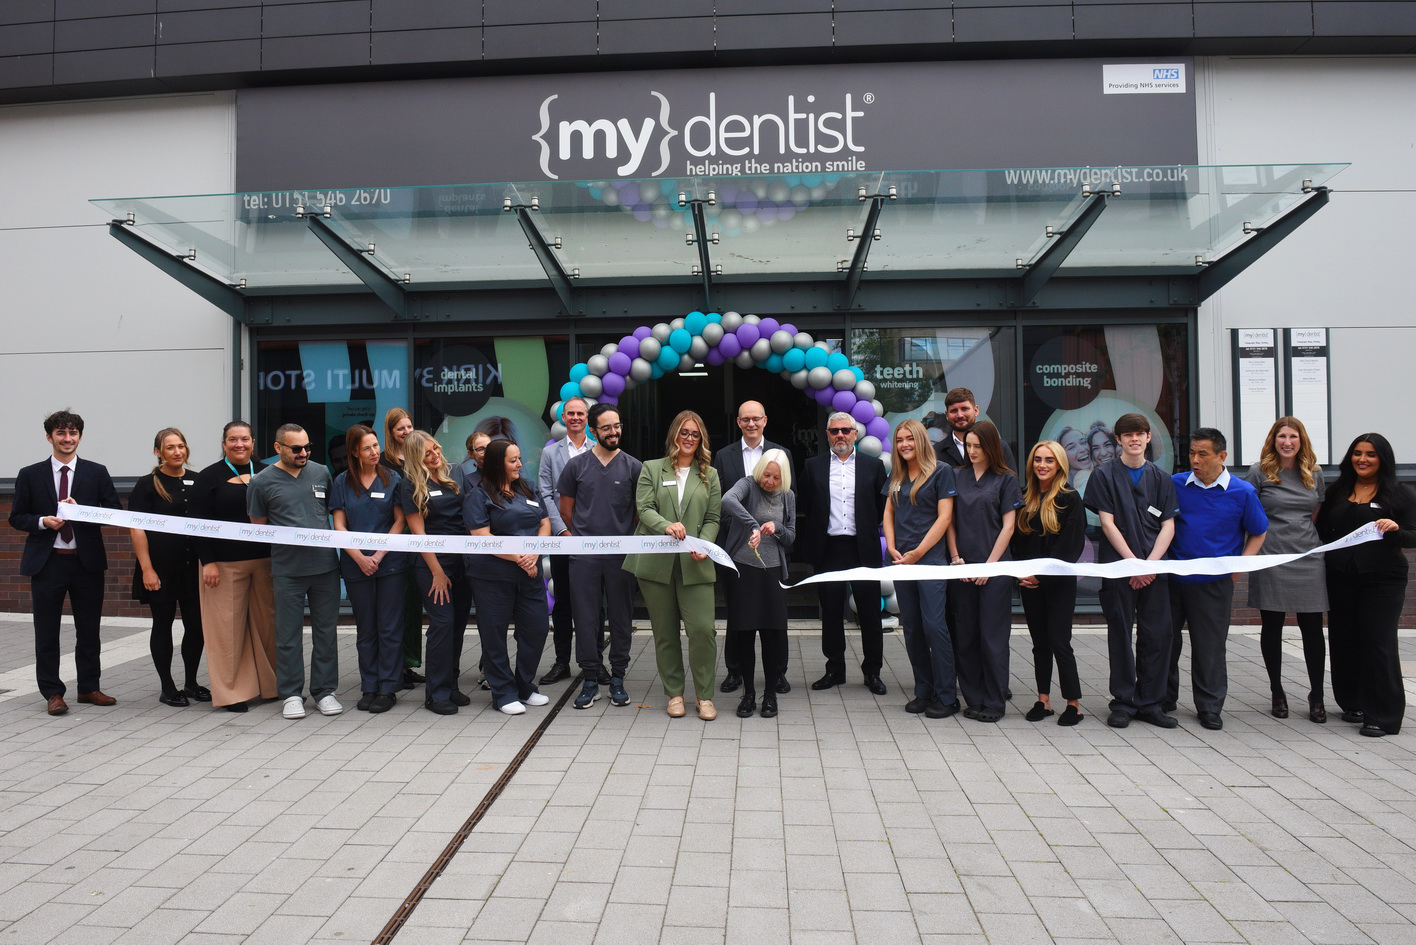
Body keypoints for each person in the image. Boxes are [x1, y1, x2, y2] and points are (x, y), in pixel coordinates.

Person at [9, 409, 123, 716]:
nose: (67, 438)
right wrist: (44, 521)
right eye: (61, 433)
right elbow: (17, 517)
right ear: (50, 437)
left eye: (72, 433)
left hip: (86, 563)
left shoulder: (96, 472)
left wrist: (82, 511)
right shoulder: (30, 474)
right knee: (46, 631)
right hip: (48, 563)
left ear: (80, 437)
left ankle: (88, 687)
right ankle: (52, 692)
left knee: (89, 629)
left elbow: (112, 513)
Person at [1166, 427, 1268, 731]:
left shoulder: (1242, 492)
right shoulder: (1175, 485)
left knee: (1209, 647)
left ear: (1222, 456)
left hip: (1215, 583)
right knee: (1165, 642)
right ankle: (1163, 699)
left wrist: (1239, 568)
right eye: (1192, 453)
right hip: (1173, 578)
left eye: (1203, 454)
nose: (1195, 460)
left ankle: (1209, 707)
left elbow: (1258, 532)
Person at [624, 410, 722, 721]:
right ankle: (675, 694)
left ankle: (704, 696)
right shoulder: (652, 469)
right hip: (656, 565)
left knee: (703, 631)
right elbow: (645, 508)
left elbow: (713, 518)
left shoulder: (711, 474)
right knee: (665, 633)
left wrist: (702, 543)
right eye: (684, 433)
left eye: (695, 434)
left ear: (701, 439)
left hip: (696, 564)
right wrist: (668, 525)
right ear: (674, 436)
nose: (689, 439)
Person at [1084, 412, 1179, 730]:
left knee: (1157, 635)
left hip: (1155, 570)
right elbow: (1108, 523)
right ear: (1119, 440)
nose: (1134, 439)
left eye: (1140, 434)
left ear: (1148, 438)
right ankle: (1123, 702)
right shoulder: (1104, 475)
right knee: (1120, 635)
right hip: (1119, 569)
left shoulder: (1162, 479)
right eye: (1128, 435)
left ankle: (1151, 702)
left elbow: (1168, 525)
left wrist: (1150, 564)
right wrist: (1132, 563)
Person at [1317, 433, 1416, 737]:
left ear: (1382, 459)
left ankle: (1383, 716)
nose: (1363, 459)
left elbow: (1413, 535)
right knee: (1344, 639)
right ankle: (1353, 702)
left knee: (1378, 643)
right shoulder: (1338, 491)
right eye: (1358, 453)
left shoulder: (1400, 494)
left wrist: (1396, 530)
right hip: (1341, 578)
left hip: (1382, 580)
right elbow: (1322, 531)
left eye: (1371, 454)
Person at [248, 423, 343, 720]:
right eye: (296, 448)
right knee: (288, 634)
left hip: (325, 566)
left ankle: (325, 691)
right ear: (278, 448)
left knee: (326, 632)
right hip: (287, 569)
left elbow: (330, 512)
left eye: (307, 447)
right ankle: (290, 693)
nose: (304, 453)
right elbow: (258, 527)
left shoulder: (321, 472)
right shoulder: (261, 482)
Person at [1244, 417, 1329, 722]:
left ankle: (1317, 695)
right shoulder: (1259, 472)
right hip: (1271, 557)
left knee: (1312, 629)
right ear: (1274, 439)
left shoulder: (1314, 474)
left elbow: (1314, 512)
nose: (1287, 442)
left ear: (1301, 440)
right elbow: (1248, 511)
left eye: (1293, 436)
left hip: (1307, 557)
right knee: (1272, 626)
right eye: (1282, 436)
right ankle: (1277, 692)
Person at [559, 403, 643, 710]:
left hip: (621, 556)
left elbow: (638, 512)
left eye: (617, 426)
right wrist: (584, 539)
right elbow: (566, 510)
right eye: (606, 427)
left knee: (621, 618)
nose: (614, 432)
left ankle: (618, 678)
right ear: (593, 431)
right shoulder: (576, 466)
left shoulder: (634, 467)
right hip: (584, 557)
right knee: (585, 618)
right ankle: (591, 679)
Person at [190, 420, 277, 713]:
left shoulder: (268, 472)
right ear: (224, 443)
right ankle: (233, 694)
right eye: (232, 439)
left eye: (244, 439)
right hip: (224, 566)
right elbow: (198, 523)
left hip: (266, 563)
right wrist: (208, 562)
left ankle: (270, 686)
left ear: (253, 442)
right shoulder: (208, 477)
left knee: (268, 628)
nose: (239, 444)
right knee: (227, 632)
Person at [800, 412, 889, 695]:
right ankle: (835, 669)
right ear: (827, 434)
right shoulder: (812, 466)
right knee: (831, 612)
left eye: (845, 431)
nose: (840, 435)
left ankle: (872, 671)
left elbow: (881, 506)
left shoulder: (873, 467)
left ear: (855, 434)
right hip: (828, 548)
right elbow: (806, 503)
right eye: (834, 431)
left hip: (863, 548)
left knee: (870, 613)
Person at [712, 399, 794, 696]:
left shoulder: (781, 454)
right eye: (745, 419)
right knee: (739, 617)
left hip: (772, 552)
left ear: (765, 420)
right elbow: (721, 500)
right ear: (738, 422)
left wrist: (778, 532)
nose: (751, 424)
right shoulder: (724, 455)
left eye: (756, 419)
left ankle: (779, 674)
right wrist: (747, 527)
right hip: (737, 550)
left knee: (775, 623)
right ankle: (735, 671)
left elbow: (786, 503)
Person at [465, 438, 551, 715]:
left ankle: (525, 685)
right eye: (513, 460)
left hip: (530, 573)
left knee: (536, 629)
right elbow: (481, 536)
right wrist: (520, 557)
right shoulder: (478, 496)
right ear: (497, 463)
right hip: (493, 578)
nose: (519, 464)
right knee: (494, 635)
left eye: (519, 458)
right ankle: (503, 693)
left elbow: (544, 522)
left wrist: (534, 554)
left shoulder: (528, 487)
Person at [946, 420, 1022, 723]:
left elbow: (1009, 525)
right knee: (965, 635)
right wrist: (955, 558)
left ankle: (994, 700)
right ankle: (973, 696)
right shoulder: (955, 475)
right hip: (962, 566)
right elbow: (949, 521)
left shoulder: (1006, 479)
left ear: (991, 447)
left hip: (996, 567)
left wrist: (990, 566)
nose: (973, 451)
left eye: (979, 446)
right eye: (969, 445)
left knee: (992, 637)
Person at [883, 418, 958, 718]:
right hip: (903, 562)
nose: (904, 444)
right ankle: (923, 691)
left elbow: (944, 518)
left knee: (934, 626)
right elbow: (888, 511)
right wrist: (891, 546)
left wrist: (918, 553)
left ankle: (947, 696)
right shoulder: (897, 475)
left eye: (910, 439)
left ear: (922, 440)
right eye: (900, 439)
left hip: (930, 562)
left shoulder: (942, 472)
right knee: (912, 627)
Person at [127, 427, 206, 708]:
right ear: (158, 452)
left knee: (196, 626)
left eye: (181, 446)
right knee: (162, 625)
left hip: (192, 569)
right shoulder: (148, 484)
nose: (177, 452)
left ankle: (192, 682)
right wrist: (147, 569)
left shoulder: (199, 481)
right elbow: (137, 530)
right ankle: (167, 686)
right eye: (170, 447)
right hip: (160, 569)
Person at [331, 424, 407, 714]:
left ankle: (388, 688)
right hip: (355, 565)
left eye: (376, 446)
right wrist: (360, 558)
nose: (375, 452)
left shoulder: (393, 478)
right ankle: (369, 685)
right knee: (366, 629)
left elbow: (399, 521)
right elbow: (339, 526)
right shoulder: (341, 482)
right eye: (367, 448)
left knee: (389, 627)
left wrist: (377, 554)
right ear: (354, 452)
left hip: (390, 564)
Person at [1011, 440, 1086, 726]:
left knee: (1059, 642)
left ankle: (1074, 704)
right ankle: (1043, 701)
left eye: (1049, 460)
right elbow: (1017, 544)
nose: (1042, 465)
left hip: (1058, 585)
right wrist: (1021, 574)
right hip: (1029, 585)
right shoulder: (1024, 497)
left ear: (1059, 465)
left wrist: (1038, 575)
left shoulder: (1069, 498)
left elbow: (1070, 549)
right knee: (1039, 644)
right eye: (1038, 459)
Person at [399, 430, 473, 715]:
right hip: (433, 563)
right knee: (441, 625)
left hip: (462, 561)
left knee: (456, 625)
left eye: (436, 449)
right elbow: (418, 535)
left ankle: (451, 685)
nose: (435, 456)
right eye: (427, 454)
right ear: (416, 457)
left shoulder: (454, 472)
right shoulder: (410, 484)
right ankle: (436, 692)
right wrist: (438, 573)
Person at [721, 449, 797, 718]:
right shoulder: (747, 484)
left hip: (772, 572)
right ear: (760, 470)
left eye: (776, 477)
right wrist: (753, 525)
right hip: (744, 569)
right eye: (767, 474)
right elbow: (728, 500)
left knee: (771, 633)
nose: (770, 481)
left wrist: (776, 529)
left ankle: (770, 696)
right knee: (744, 631)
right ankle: (749, 694)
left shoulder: (787, 496)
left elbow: (790, 537)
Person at [538, 396, 595, 687]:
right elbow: (545, 494)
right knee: (562, 604)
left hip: (592, 540)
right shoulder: (551, 453)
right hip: (563, 539)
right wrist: (561, 530)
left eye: (580, 413)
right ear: (563, 417)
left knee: (594, 603)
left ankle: (594, 664)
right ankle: (562, 662)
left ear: (587, 417)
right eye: (570, 413)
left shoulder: (599, 449)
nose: (575, 418)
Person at [381, 407, 424, 690]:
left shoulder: (419, 458)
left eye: (409, 427)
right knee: (396, 606)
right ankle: (395, 666)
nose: (406, 432)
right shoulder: (384, 462)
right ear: (391, 433)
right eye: (400, 429)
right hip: (395, 538)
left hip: (418, 539)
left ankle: (410, 663)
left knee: (413, 607)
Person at [933, 387, 1015, 469]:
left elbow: (1011, 480)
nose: (960, 415)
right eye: (954, 411)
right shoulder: (935, 452)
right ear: (947, 415)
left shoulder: (999, 447)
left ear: (976, 410)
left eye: (964, 409)